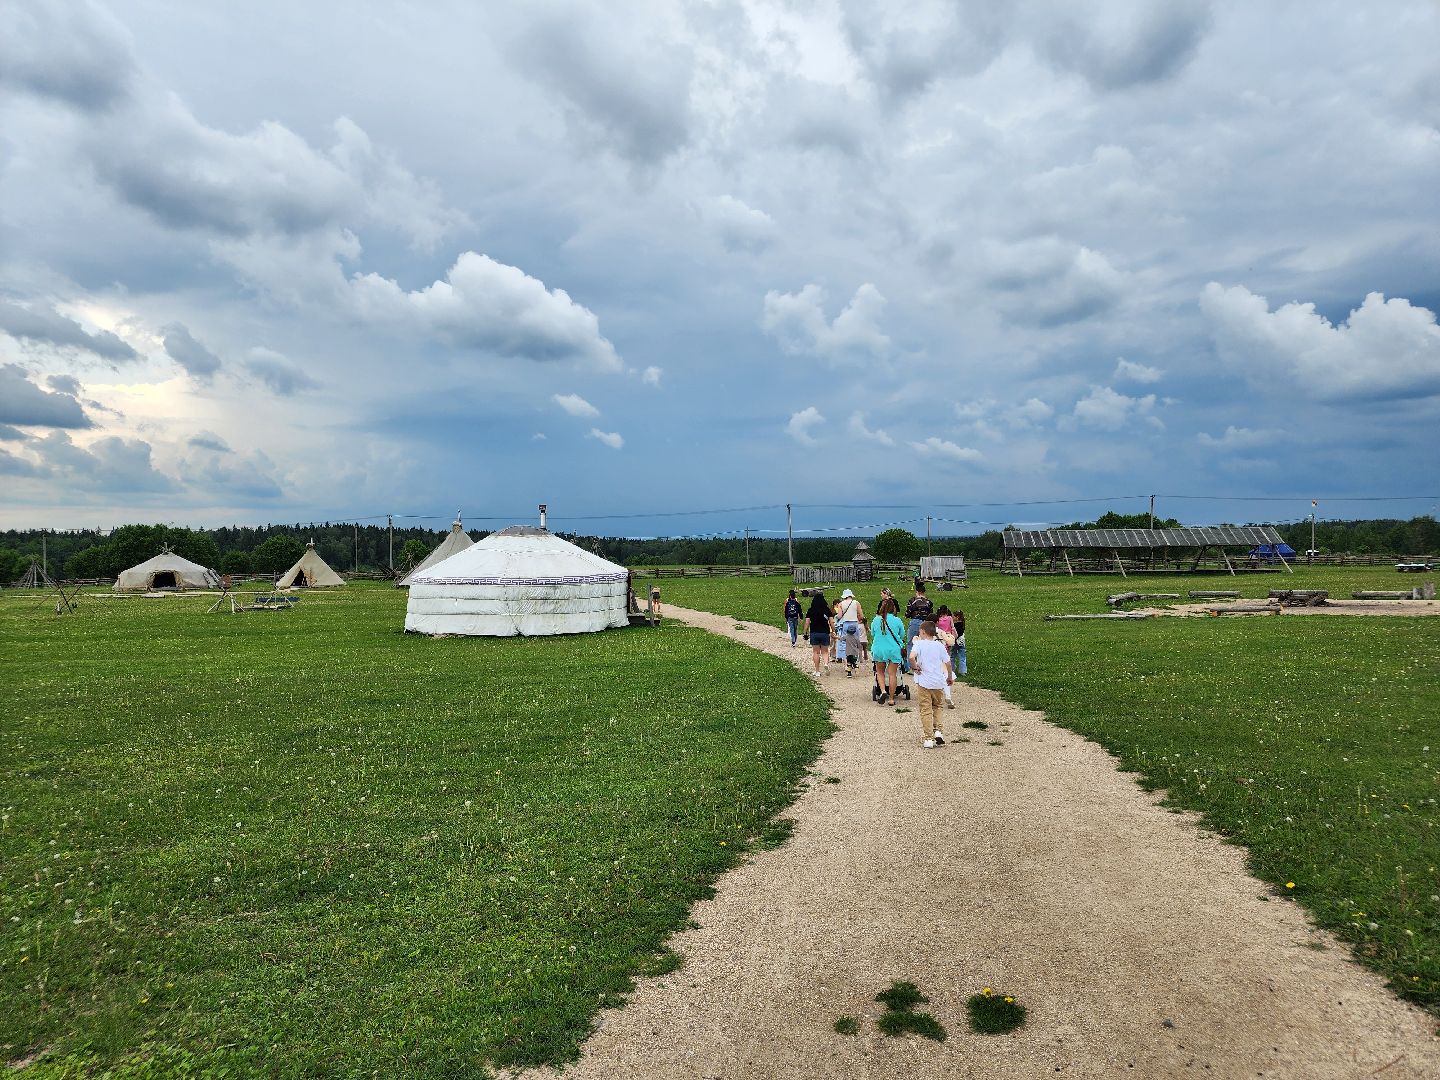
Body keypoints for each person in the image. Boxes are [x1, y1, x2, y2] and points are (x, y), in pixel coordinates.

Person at [908, 620, 954, 749]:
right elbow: (948, 663)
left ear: (923, 632)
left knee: (925, 709)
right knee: (937, 706)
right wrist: (949, 677)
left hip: (924, 682)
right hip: (938, 682)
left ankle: (928, 738)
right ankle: (938, 731)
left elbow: (911, 657)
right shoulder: (939, 646)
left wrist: (915, 667)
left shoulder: (919, 644)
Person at [869, 596, 906, 706]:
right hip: (893, 649)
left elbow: (873, 633)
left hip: (879, 648)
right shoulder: (897, 620)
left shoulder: (876, 620)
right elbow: (902, 634)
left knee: (880, 672)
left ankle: (883, 691)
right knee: (892, 674)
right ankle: (891, 698)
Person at [903, 580, 934, 672]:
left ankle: (910, 667)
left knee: (910, 643)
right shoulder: (929, 602)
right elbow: (931, 614)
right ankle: (923, 665)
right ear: (924, 592)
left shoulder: (913, 601)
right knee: (924, 644)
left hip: (915, 622)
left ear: (917, 592)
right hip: (925, 623)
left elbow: (907, 613)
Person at [834, 588, 864, 677]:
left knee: (845, 642)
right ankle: (856, 660)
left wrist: (836, 618)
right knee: (855, 641)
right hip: (854, 623)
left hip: (846, 623)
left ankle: (847, 663)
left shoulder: (841, 604)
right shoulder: (856, 603)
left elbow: (839, 616)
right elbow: (861, 615)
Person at [803, 592, 833, 678]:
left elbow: (807, 622)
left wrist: (805, 632)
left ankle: (817, 671)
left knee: (816, 652)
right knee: (825, 651)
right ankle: (826, 663)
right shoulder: (827, 610)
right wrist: (834, 631)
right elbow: (831, 622)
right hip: (825, 633)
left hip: (814, 632)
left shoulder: (811, 610)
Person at [935, 605, 959, 709]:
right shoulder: (949, 618)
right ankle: (947, 694)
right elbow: (953, 628)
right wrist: (954, 636)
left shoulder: (938, 621)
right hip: (946, 640)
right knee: (946, 661)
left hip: (938, 641)